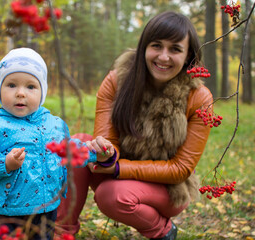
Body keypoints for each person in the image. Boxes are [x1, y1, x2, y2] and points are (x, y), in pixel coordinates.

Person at [56, 11, 213, 240]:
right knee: (78, 144)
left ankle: (163, 231)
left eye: (175, 49)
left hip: (167, 188)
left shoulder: (199, 97)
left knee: (111, 195)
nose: (164, 56)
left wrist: (119, 169)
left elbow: (181, 169)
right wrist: (106, 155)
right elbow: (106, 141)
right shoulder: (117, 80)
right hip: (116, 169)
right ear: (144, 47)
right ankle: (60, 234)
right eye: (156, 46)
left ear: (188, 55)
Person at [0, 48, 114, 240]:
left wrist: (94, 153)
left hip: (46, 208)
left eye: (30, 87)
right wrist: (5, 163)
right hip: (5, 211)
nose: (20, 93)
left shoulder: (54, 124)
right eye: (11, 85)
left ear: (42, 91)